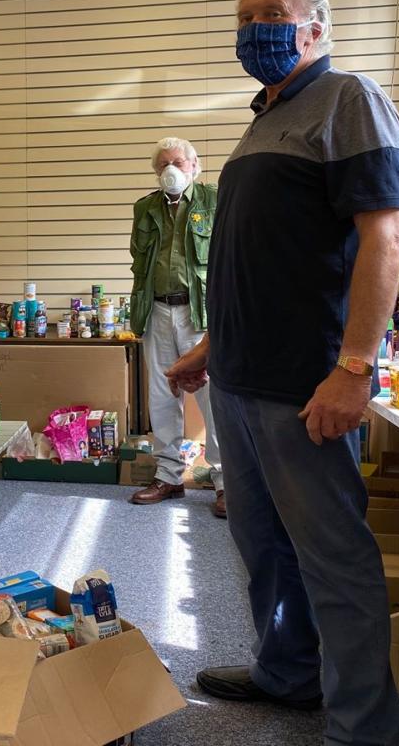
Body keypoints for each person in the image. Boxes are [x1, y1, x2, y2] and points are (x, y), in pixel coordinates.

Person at [166, 0, 399, 746]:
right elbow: (257, 258)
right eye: (244, 18)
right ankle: (289, 672)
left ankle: (364, 727)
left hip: (305, 383)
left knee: (332, 558)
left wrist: (355, 366)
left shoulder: (348, 99)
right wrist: (209, 347)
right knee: (261, 546)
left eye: (271, 12)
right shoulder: (263, 117)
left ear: (317, 25)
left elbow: (384, 236)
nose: (254, 30)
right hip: (238, 378)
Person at [128, 137, 225, 517]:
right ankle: (168, 476)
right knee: (161, 395)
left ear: (195, 166)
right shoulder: (145, 208)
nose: (171, 169)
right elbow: (140, 264)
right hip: (157, 310)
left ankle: (224, 482)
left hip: (200, 313)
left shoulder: (214, 200)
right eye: (163, 164)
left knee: (212, 397)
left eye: (178, 162)